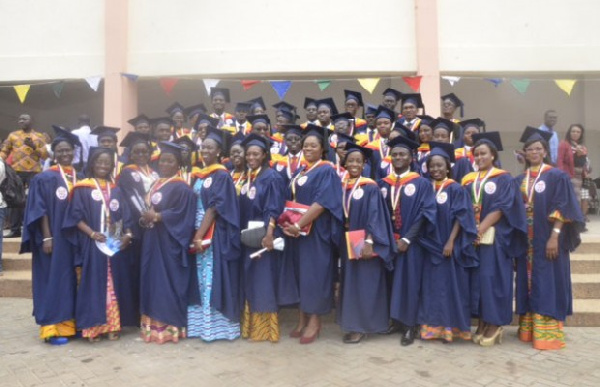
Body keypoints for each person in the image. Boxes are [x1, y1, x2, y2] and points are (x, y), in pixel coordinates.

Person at [515, 127, 584, 350]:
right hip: (527, 241)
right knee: (528, 280)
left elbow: (563, 206)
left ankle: (548, 333)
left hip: (547, 238)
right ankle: (529, 329)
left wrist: (555, 236)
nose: (534, 152)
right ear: (524, 153)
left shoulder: (556, 176)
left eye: (538, 148)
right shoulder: (519, 179)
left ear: (545, 151)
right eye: (530, 149)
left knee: (548, 280)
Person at [461, 132, 527, 347]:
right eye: (476, 154)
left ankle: (496, 322)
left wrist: (480, 228)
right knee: (478, 281)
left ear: (492, 156)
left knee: (493, 278)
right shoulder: (468, 179)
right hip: (474, 238)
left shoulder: (503, 178)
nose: (479, 157)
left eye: (483, 154)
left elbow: (502, 207)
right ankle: (482, 320)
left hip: (496, 238)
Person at [63, 147, 134, 342]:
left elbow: (124, 216)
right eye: (99, 162)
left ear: (112, 165)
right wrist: (92, 234)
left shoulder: (116, 189)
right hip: (92, 244)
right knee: (93, 283)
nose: (103, 166)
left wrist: (124, 236)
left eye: (107, 163)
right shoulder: (83, 188)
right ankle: (93, 328)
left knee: (113, 283)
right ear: (92, 163)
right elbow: (75, 217)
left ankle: (113, 325)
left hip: (112, 245)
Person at [280, 124, 343, 344]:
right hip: (298, 234)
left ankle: (315, 322)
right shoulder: (302, 170)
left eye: (313, 145)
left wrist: (299, 225)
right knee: (300, 275)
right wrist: (288, 223)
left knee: (314, 277)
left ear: (322, 149)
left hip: (316, 234)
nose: (307, 148)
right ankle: (302, 319)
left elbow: (322, 203)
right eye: (305, 145)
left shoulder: (326, 170)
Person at [378, 135, 440, 346]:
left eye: (402, 154)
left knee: (410, 283)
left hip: (411, 243)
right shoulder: (382, 184)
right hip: (388, 241)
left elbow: (425, 213)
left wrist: (407, 238)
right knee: (391, 281)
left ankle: (410, 325)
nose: (398, 157)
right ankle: (395, 320)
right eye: (394, 154)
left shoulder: (421, 183)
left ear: (411, 157)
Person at [21, 126, 81, 344]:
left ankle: (70, 325)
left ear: (74, 152)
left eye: (68, 150)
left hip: (76, 238)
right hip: (54, 237)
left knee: (72, 280)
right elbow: (39, 209)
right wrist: (46, 237)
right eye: (61, 151)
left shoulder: (81, 176)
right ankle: (51, 328)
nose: (65, 154)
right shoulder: (44, 178)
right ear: (54, 154)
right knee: (53, 279)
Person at [418, 142, 478, 343]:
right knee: (432, 287)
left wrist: (451, 241)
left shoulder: (456, 189)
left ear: (447, 167)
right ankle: (433, 328)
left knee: (451, 286)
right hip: (429, 245)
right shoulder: (424, 187)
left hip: (448, 246)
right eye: (432, 166)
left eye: (439, 165)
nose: (435, 169)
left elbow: (462, 217)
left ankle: (452, 329)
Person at [138, 142, 198, 344]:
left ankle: (170, 329)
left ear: (178, 164)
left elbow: (184, 215)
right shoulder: (157, 183)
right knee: (152, 281)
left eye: (170, 160)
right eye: (162, 160)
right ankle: (152, 328)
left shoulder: (182, 187)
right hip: (153, 241)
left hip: (170, 244)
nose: (165, 164)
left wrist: (158, 216)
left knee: (168, 283)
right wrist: (146, 217)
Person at [338, 142, 396, 344]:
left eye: (358, 161)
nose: (354, 164)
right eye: (350, 160)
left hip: (363, 241)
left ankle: (362, 327)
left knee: (365, 284)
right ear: (345, 163)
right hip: (347, 241)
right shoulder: (341, 185)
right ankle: (356, 324)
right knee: (351, 283)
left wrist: (370, 241)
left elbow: (376, 216)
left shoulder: (370, 186)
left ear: (364, 164)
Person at [188, 128, 241, 341]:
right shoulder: (201, 174)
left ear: (219, 151)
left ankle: (217, 329)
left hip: (212, 233)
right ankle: (201, 327)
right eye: (203, 147)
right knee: (200, 279)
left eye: (210, 147)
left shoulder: (221, 175)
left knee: (211, 276)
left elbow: (215, 207)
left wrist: (199, 235)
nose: (205, 151)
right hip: (199, 229)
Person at [238, 133, 285, 342]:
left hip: (264, 237)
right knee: (251, 279)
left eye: (255, 154)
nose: (251, 157)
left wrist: (269, 234)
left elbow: (274, 208)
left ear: (264, 154)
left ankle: (266, 330)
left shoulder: (271, 177)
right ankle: (249, 327)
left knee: (263, 279)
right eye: (248, 154)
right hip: (249, 237)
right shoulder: (249, 176)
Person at [117, 132, 159, 328]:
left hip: (154, 224)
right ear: (131, 154)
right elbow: (133, 198)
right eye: (137, 151)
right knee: (138, 269)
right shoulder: (128, 172)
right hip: (139, 227)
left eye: (145, 151)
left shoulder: (154, 172)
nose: (141, 154)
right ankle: (136, 314)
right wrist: (148, 218)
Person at [0, 113, 49, 238]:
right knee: (15, 199)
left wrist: (33, 147)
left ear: (32, 120)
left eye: (24, 119)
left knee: (34, 200)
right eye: (20, 119)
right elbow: (5, 151)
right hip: (16, 172)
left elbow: (45, 155)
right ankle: (15, 229)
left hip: (34, 171)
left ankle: (33, 229)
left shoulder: (39, 136)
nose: (21, 121)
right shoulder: (13, 135)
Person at [557, 124, 590, 227]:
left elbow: (582, 163)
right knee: (572, 199)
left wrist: (580, 155)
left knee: (580, 199)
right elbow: (560, 160)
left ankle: (577, 222)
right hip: (569, 175)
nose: (575, 134)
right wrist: (561, 175)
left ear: (581, 134)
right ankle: (571, 223)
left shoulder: (582, 147)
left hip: (581, 177)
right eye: (573, 131)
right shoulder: (564, 144)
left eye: (578, 132)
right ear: (569, 132)